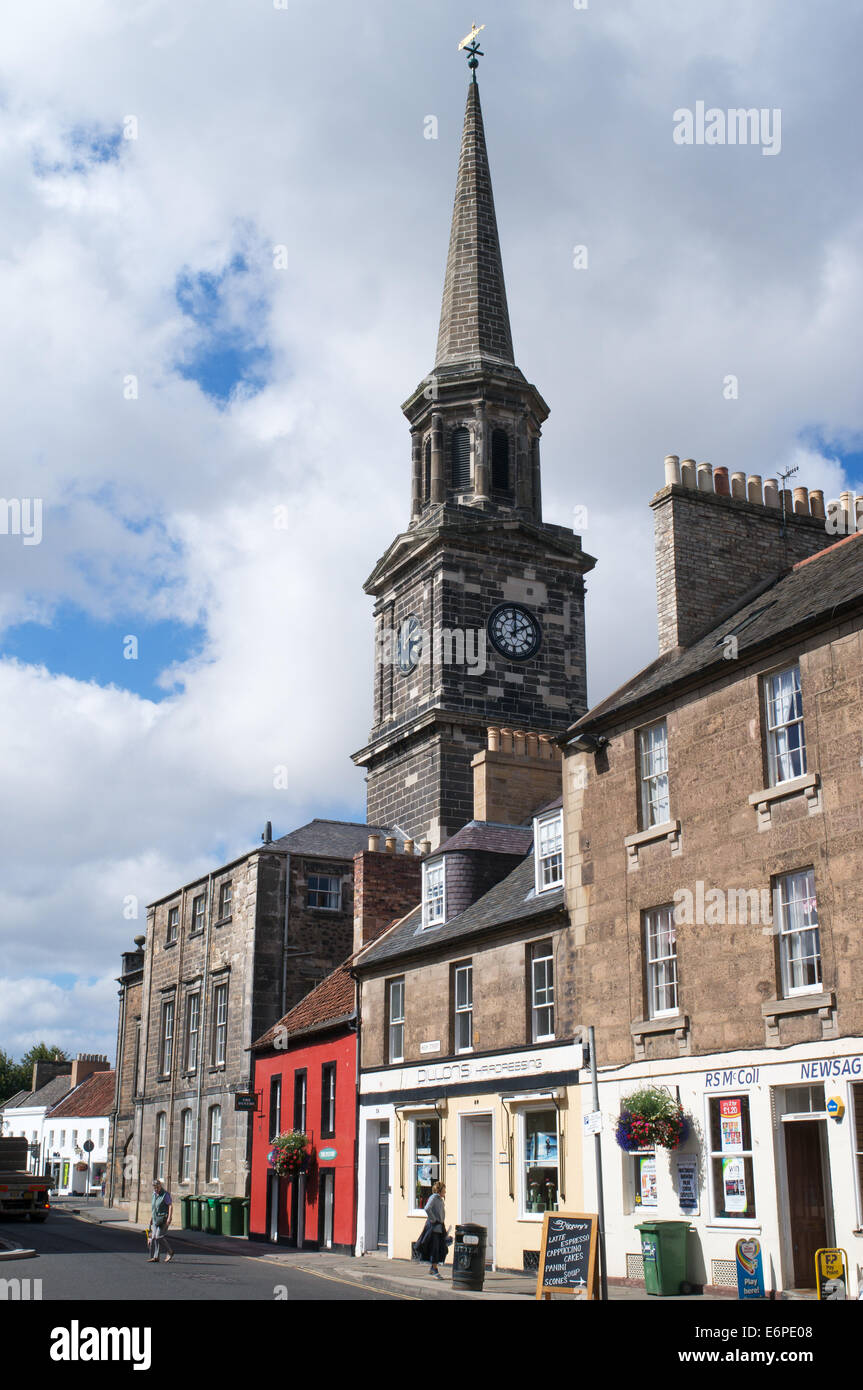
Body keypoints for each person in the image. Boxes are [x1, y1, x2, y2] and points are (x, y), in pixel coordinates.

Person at [419, 1181, 448, 1278]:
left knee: (440, 1247)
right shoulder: (434, 1198)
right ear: (439, 1190)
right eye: (444, 1189)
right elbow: (427, 1208)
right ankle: (434, 1269)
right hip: (434, 1227)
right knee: (435, 1248)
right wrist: (433, 1219)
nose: (445, 1191)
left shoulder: (440, 1199)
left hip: (439, 1226)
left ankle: (433, 1268)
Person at [148, 1180, 175, 1263]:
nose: (156, 1189)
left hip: (163, 1219)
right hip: (156, 1219)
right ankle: (156, 1257)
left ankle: (170, 1251)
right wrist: (152, 1218)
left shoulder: (165, 1195)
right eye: (154, 1187)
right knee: (154, 1238)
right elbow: (154, 1207)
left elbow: (170, 1206)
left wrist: (169, 1218)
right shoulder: (154, 1194)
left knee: (159, 1236)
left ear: (160, 1186)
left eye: (157, 1187)